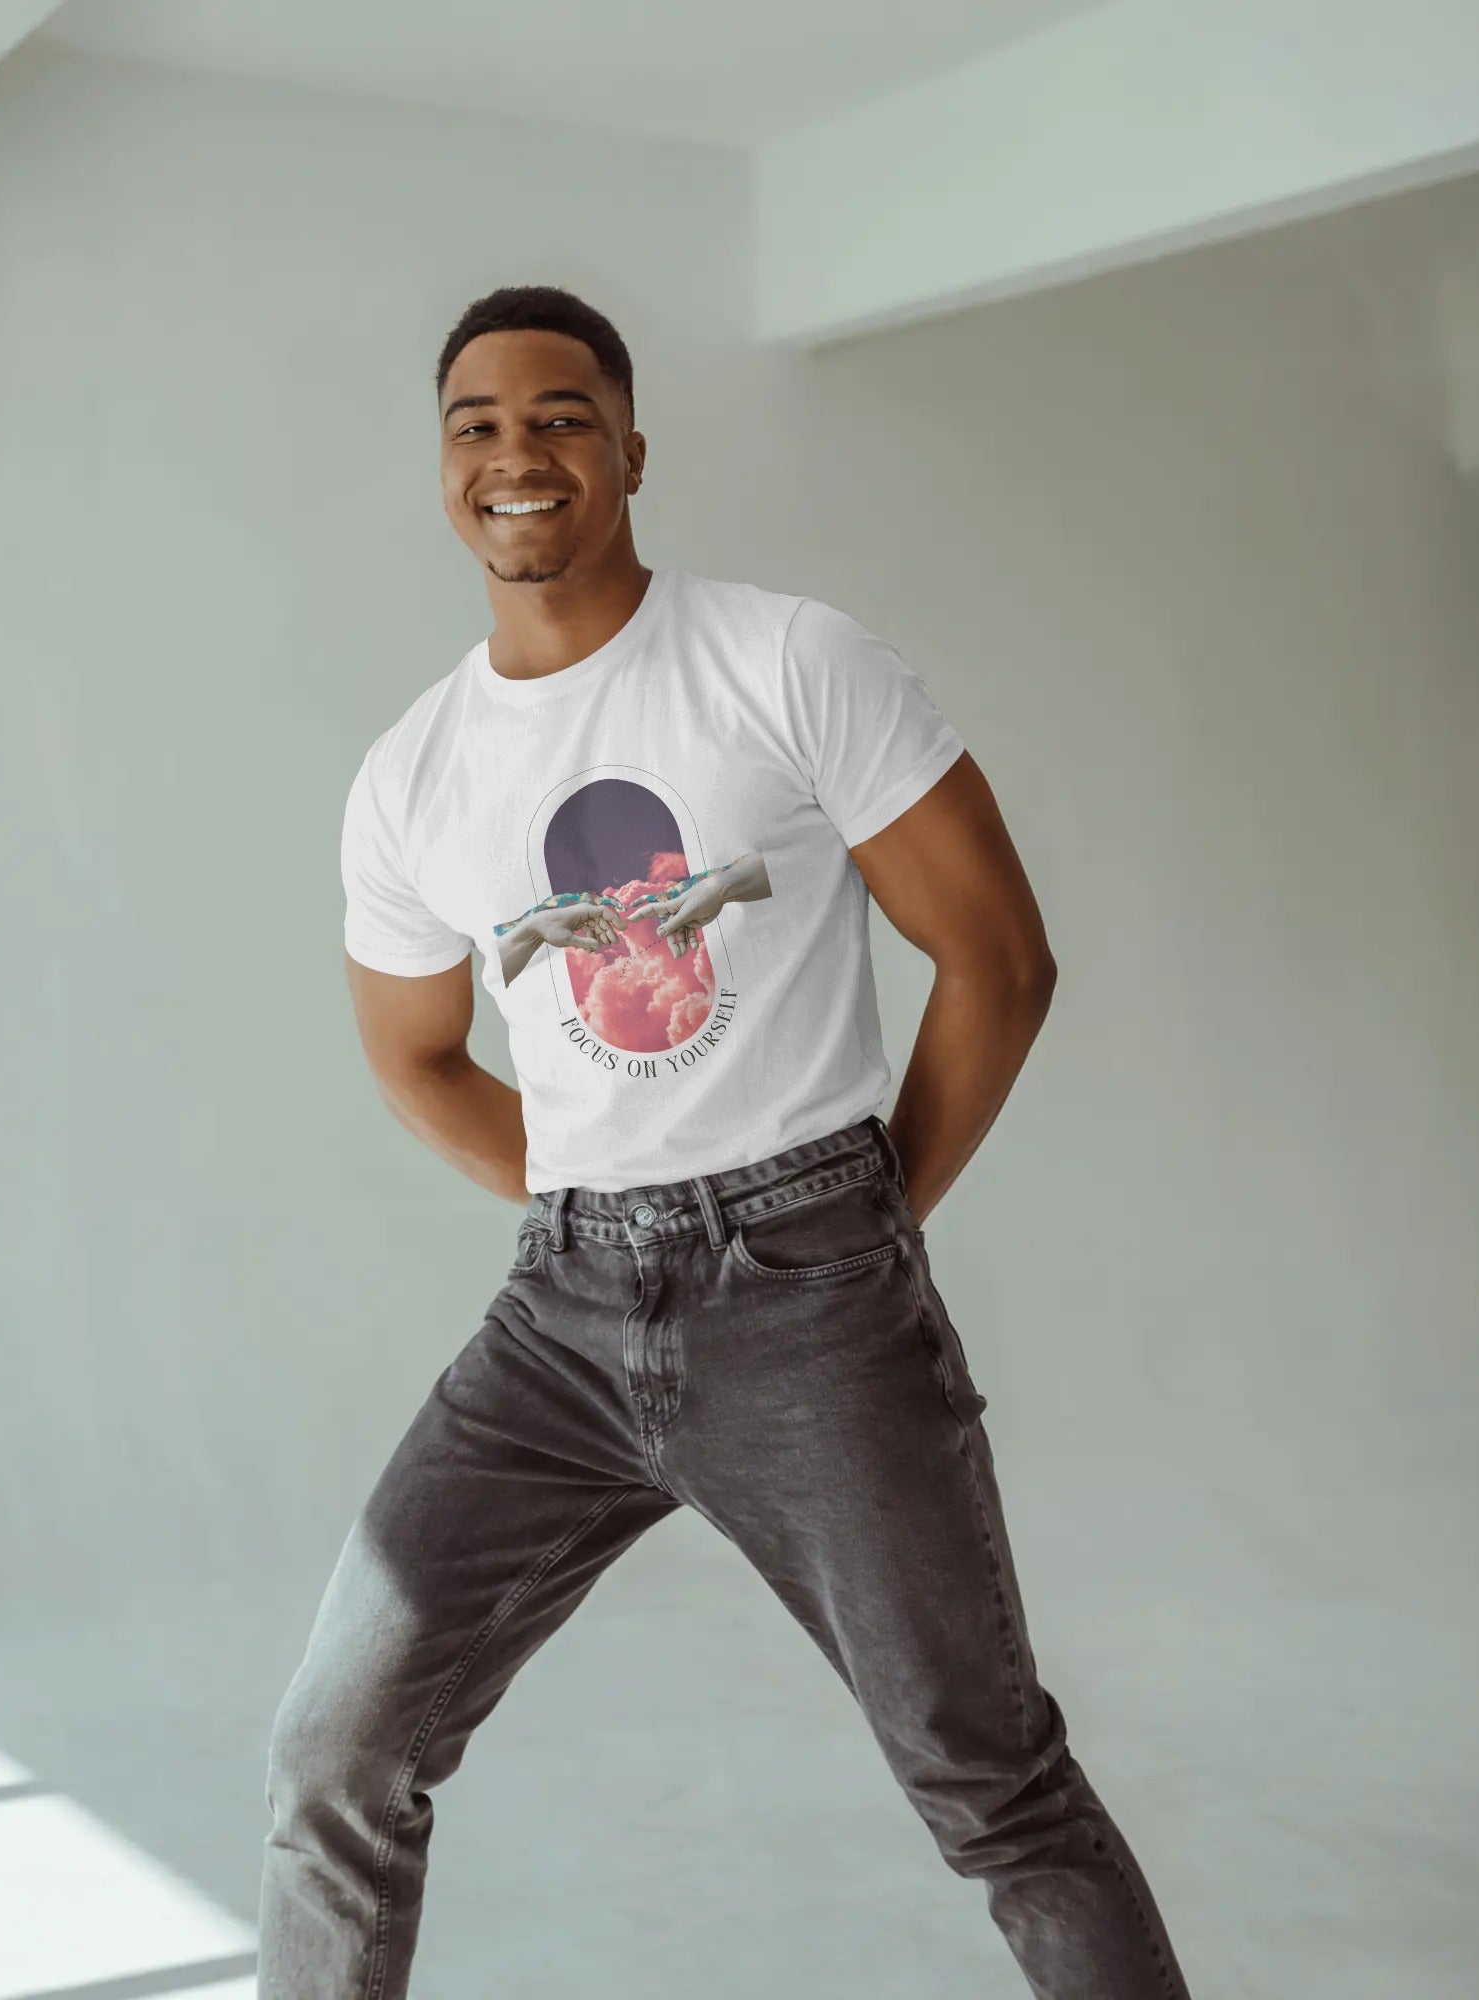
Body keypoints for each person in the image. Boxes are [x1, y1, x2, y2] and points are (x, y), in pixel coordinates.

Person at [257, 284, 1192, 1999]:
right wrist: (586, 1195)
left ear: (627, 446)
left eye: (558, 415)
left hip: (815, 1286)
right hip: (560, 1316)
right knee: (336, 1758)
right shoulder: (412, 773)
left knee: (993, 1784)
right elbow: (417, 1053)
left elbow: (998, 959)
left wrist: (858, 1227)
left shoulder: (783, 657)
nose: (517, 451)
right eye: (478, 423)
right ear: (442, 467)